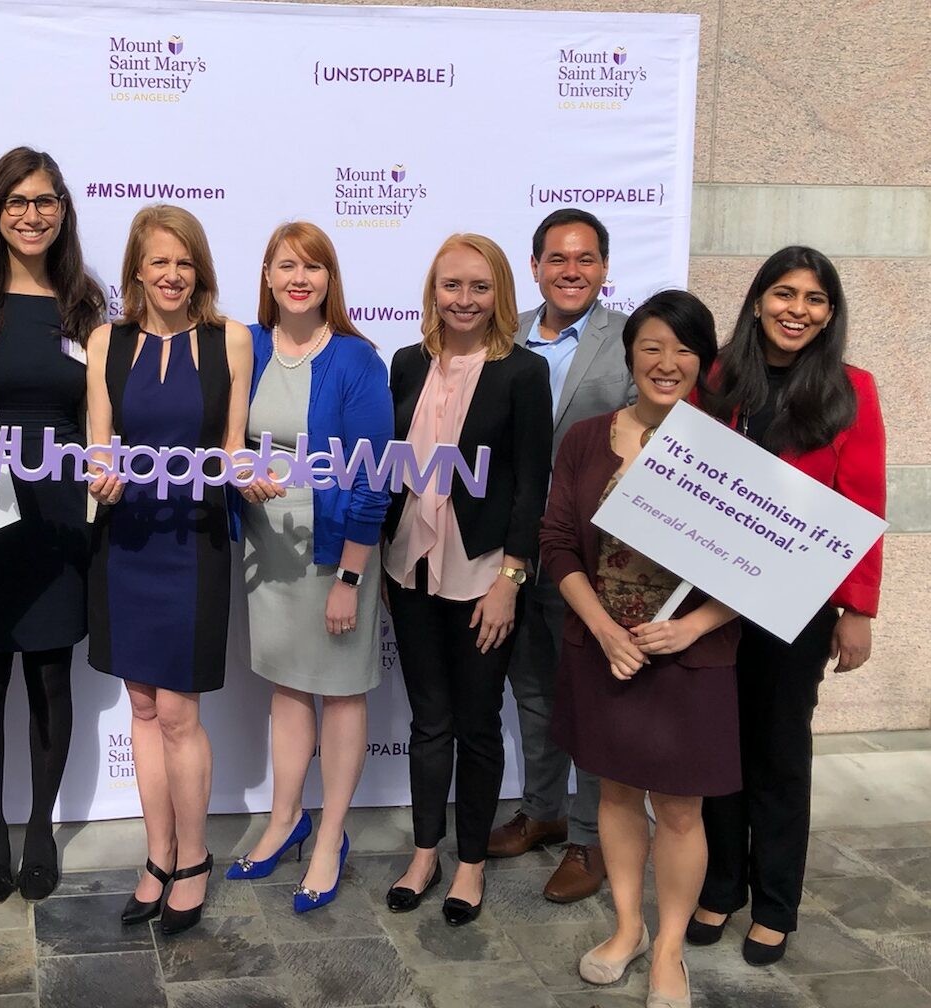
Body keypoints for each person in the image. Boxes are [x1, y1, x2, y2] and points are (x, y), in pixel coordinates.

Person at [543, 291, 739, 1008]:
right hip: (604, 650)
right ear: (630, 354)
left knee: (681, 811)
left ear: (704, 362)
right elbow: (557, 542)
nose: (668, 362)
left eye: (684, 349)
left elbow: (757, 572)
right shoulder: (588, 439)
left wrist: (690, 627)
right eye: (652, 346)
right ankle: (626, 928)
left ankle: (668, 953)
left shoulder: (727, 452)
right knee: (618, 793)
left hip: (689, 657)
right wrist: (599, 627)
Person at [690, 247, 885, 965]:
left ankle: (774, 903)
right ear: (758, 300)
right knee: (718, 748)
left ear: (830, 314)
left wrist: (858, 609)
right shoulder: (717, 378)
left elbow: (863, 504)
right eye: (783, 294)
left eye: (813, 299)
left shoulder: (852, 390)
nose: (796, 310)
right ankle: (720, 884)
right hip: (712, 597)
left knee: (777, 753)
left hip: (797, 607)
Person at [85, 205, 252, 935]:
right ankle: (156, 858)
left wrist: (248, 473)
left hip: (194, 540)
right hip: (126, 543)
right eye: (159, 261)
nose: (172, 275)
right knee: (143, 709)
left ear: (200, 269)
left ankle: (194, 859)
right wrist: (99, 476)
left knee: (180, 713)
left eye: (184, 262)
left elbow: (234, 444)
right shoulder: (105, 341)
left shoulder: (232, 340)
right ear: (137, 270)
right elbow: (99, 445)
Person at [382, 234, 553, 926]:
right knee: (430, 722)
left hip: (484, 575)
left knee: (478, 726)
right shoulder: (404, 363)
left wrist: (511, 578)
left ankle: (472, 863)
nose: (464, 299)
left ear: (501, 294)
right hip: (409, 569)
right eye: (451, 285)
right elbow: (387, 466)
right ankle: (426, 853)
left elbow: (529, 488)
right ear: (433, 291)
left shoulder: (523, 373)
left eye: (479, 287)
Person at [227, 223, 393, 912]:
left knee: (342, 693)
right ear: (266, 275)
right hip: (267, 553)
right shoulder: (249, 345)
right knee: (288, 691)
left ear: (331, 280)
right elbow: (224, 442)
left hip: (336, 552)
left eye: (315, 266)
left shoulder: (357, 360)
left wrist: (350, 579)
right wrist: (236, 470)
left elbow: (373, 477)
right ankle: (284, 819)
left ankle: (329, 838)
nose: (301, 277)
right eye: (288, 265)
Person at [0, 148, 106, 903]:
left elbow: (103, 412)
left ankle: (41, 826)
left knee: (50, 673)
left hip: (59, 511)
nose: (32, 214)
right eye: (16, 201)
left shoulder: (85, 303)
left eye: (45, 200)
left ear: (63, 210)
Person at [488, 208, 634, 904]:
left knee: (592, 699)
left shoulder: (631, 342)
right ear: (536, 265)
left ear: (603, 268)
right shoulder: (499, 334)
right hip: (512, 551)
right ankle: (543, 812)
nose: (570, 271)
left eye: (584, 259)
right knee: (534, 692)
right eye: (556, 259)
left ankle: (590, 835)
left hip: (592, 555)